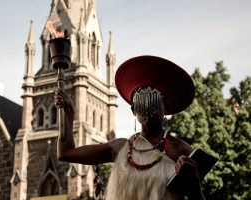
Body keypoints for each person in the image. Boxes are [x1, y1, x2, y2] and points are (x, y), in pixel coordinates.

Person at [55, 55, 205, 200]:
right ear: (133, 110)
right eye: (141, 101)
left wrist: (194, 189)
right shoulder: (120, 148)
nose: (147, 107)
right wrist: (69, 113)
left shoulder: (181, 151)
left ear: (166, 107)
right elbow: (66, 153)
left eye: (153, 100)